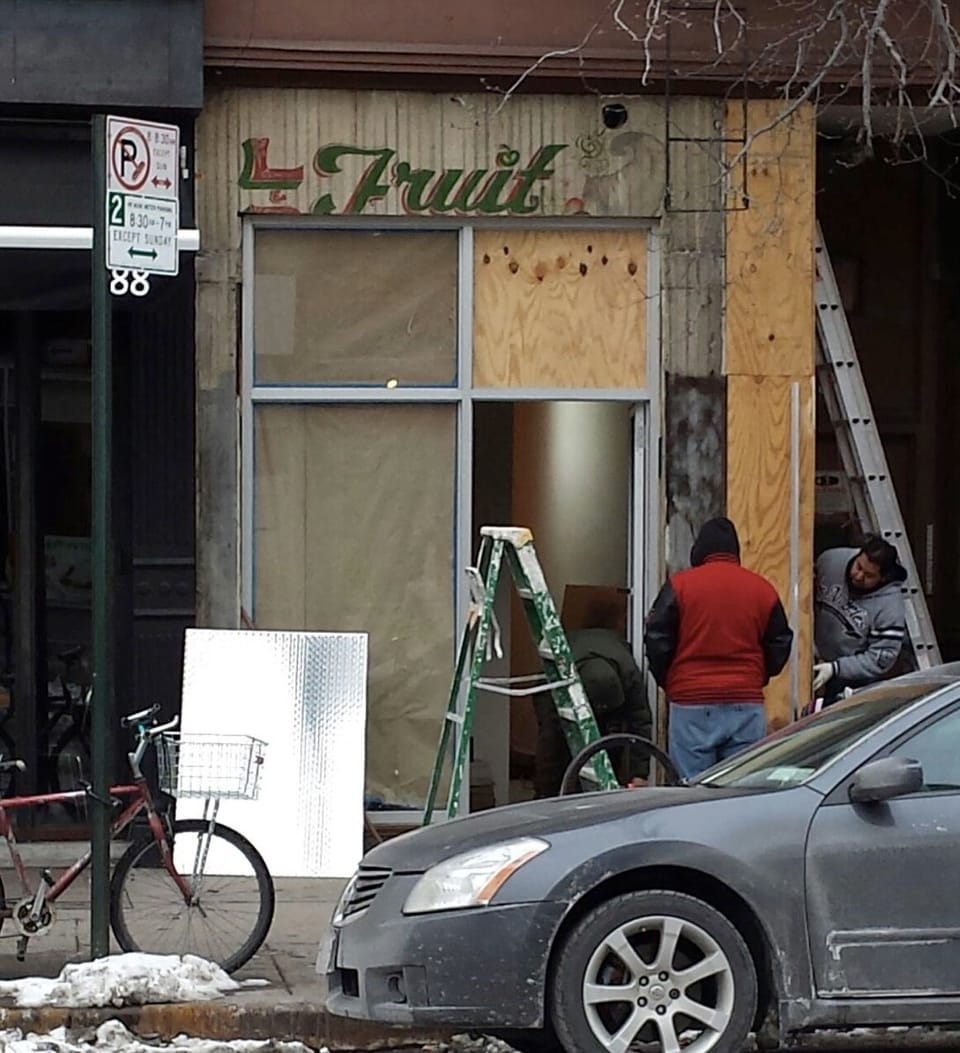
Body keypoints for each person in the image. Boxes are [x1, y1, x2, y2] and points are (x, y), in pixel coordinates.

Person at [644, 517, 793, 781]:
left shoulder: (680, 585)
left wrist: (671, 682)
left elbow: (657, 638)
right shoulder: (762, 589)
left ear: (699, 549)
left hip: (691, 703)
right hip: (745, 703)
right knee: (739, 789)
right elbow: (780, 641)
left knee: (691, 793)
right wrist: (756, 677)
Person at [534, 627, 652, 798]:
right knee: (557, 746)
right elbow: (549, 740)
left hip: (603, 670)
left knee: (610, 743)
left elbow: (641, 723)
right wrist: (546, 794)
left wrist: (639, 774)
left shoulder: (629, 674)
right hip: (572, 679)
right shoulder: (554, 679)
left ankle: (605, 796)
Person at [812, 535, 907, 704]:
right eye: (858, 566)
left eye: (868, 575)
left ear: (883, 578)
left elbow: (879, 660)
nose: (858, 575)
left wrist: (836, 669)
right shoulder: (830, 560)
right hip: (811, 658)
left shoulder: (891, 608)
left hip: (851, 677)